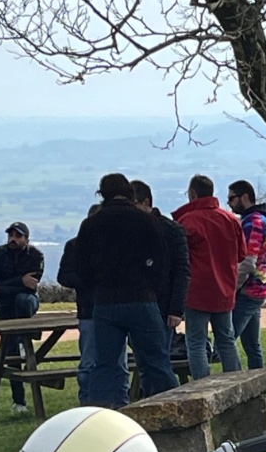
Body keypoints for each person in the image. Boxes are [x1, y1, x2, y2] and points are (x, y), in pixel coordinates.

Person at [73, 173, 177, 409]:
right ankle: (169, 413)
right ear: (129, 193)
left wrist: (97, 288)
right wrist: (152, 289)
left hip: (105, 302)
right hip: (141, 298)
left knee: (105, 367)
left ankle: (104, 417)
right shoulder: (145, 221)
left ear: (102, 194)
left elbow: (81, 268)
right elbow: (162, 263)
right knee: (156, 363)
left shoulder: (91, 225)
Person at [173, 174, 246, 380]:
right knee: (226, 340)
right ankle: (234, 384)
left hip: (197, 291)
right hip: (224, 290)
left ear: (193, 194)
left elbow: (181, 258)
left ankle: (202, 387)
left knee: (196, 342)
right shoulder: (231, 220)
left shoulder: (187, 221)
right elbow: (241, 255)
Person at [129, 179, 189, 374]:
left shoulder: (171, 230)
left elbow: (181, 271)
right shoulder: (129, 229)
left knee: (159, 359)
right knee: (143, 360)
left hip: (163, 305)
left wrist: (176, 309)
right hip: (135, 303)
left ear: (146, 202)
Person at [0, 221, 44, 416]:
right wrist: (20, 281)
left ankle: (24, 337)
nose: (13, 239)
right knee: (11, 354)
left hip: (26, 304)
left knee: (23, 299)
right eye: (11, 235)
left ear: (26, 239)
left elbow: (31, 286)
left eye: (18, 236)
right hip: (5, 308)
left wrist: (3, 287)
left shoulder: (36, 255)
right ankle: (19, 401)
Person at [227, 180, 266, 370]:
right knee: (252, 345)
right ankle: (259, 381)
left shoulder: (253, 222)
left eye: (231, 198)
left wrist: (231, 288)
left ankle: (233, 381)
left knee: (226, 340)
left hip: (249, 289)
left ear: (244, 197)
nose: (229, 204)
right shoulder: (262, 219)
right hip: (259, 288)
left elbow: (247, 263)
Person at [58, 204, 99, 405]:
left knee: (117, 362)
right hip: (89, 310)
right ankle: (86, 401)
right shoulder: (74, 246)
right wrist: (88, 280)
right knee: (89, 362)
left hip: (106, 307)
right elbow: (64, 276)